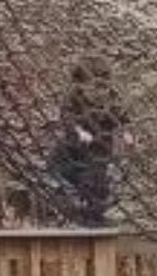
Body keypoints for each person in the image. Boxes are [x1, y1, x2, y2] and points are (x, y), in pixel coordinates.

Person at [47, 59, 129, 226]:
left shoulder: (112, 97)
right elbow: (66, 116)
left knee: (96, 183)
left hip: (99, 149)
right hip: (72, 148)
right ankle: (71, 199)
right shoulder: (73, 96)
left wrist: (126, 133)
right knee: (58, 168)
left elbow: (122, 117)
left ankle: (94, 216)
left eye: (102, 87)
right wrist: (79, 131)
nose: (97, 92)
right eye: (90, 87)